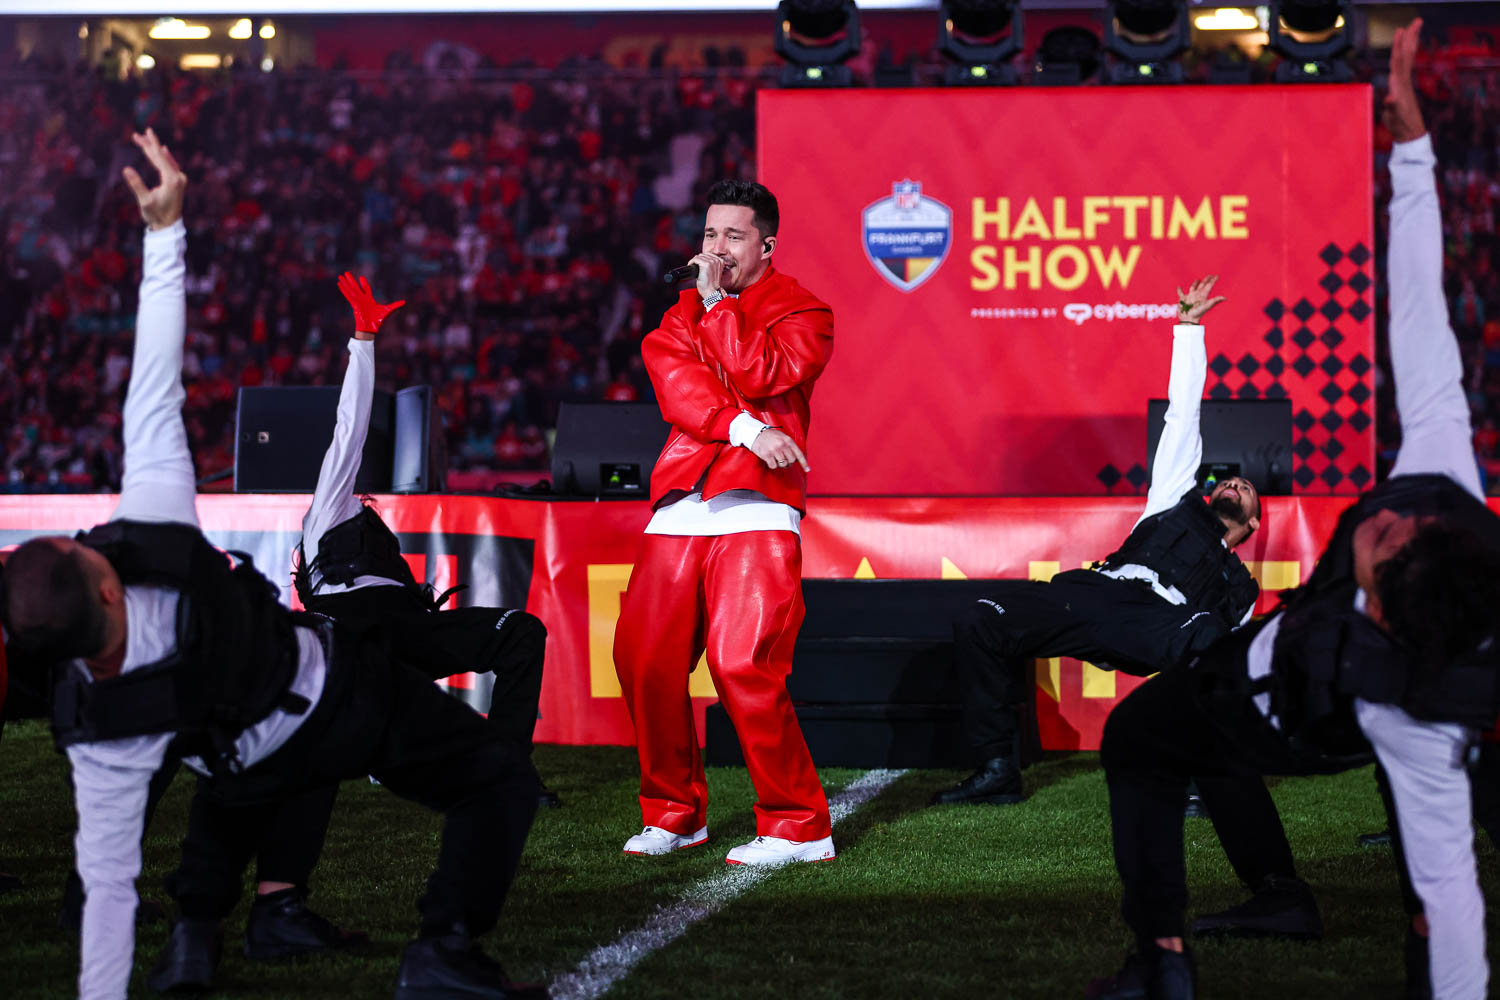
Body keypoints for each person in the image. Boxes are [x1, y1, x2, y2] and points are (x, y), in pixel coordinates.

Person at [0, 130, 546, 1000]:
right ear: (103, 582)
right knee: (493, 781)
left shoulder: (101, 734)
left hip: (245, 749)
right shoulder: (157, 527)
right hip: (332, 690)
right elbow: (155, 384)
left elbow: (107, 887)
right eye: (78, 543)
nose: (90, 533)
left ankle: (198, 937)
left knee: (228, 780)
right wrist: (165, 232)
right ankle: (442, 947)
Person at [1089, 21, 1499, 999]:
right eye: (1406, 525)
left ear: (1381, 605)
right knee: (1141, 734)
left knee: (1437, 883)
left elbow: (1458, 901)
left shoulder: (1418, 715)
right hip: (1305, 666)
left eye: (1384, 548)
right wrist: (1411, 152)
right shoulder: (1444, 473)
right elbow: (1419, 311)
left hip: (1308, 707)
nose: (1383, 521)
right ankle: (1166, 959)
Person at [933, 275, 1263, 808]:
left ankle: (1205, 776)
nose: (1236, 486)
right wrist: (1188, 330)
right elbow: (1183, 418)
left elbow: (1239, 664)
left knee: (1214, 640)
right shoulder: (1174, 500)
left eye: (1247, 491)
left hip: (1161, 622)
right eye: (1230, 482)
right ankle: (997, 769)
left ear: (1252, 526)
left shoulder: (1241, 588)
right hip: (1095, 591)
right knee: (981, 618)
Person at [612, 179, 836, 865]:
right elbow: (678, 388)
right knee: (644, 661)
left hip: (759, 502)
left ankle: (798, 825)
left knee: (743, 664)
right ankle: (674, 814)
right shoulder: (677, 315)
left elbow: (762, 372)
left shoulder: (805, 311)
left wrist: (717, 307)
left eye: (733, 236)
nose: (716, 248)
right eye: (710, 234)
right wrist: (745, 428)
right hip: (684, 498)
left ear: (766, 245)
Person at [291, 272, 555, 807]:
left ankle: (507, 773)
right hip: (358, 645)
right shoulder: (326, 511)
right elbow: (349, 427)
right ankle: (375, 747)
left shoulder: (369, 525)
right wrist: (363, 342)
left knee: (521, 632)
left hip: (410, 637)